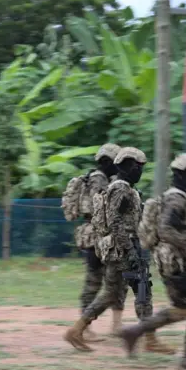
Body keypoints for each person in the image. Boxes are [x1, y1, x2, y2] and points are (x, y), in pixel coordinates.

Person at [64, 147, 172, 353]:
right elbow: (114, 221)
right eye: (138, 166)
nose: (140, 170)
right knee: (141, 291)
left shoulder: (123, 187)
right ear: (126, 165)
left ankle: (76, 330)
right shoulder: (120, 188)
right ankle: (150, 338)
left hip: (121, 247)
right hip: (124, 248)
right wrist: (130, 249)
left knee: (113, 293)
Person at [118, 153, 186, 369]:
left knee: (181, 308)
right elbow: (166, 229)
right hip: (177, 261)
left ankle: (134, 331)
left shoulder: (183, 196)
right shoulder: (176, 198)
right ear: (182, 174)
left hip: (176, 260)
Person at [64, 143, 123, 342]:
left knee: (111, 281)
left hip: (99, 235)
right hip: (98, 236)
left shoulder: (104, 178)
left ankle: (114, 324)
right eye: (116, 162)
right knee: (95, 282)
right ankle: (86, 328)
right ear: (108, 162)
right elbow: (101, 209)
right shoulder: (98, 180)